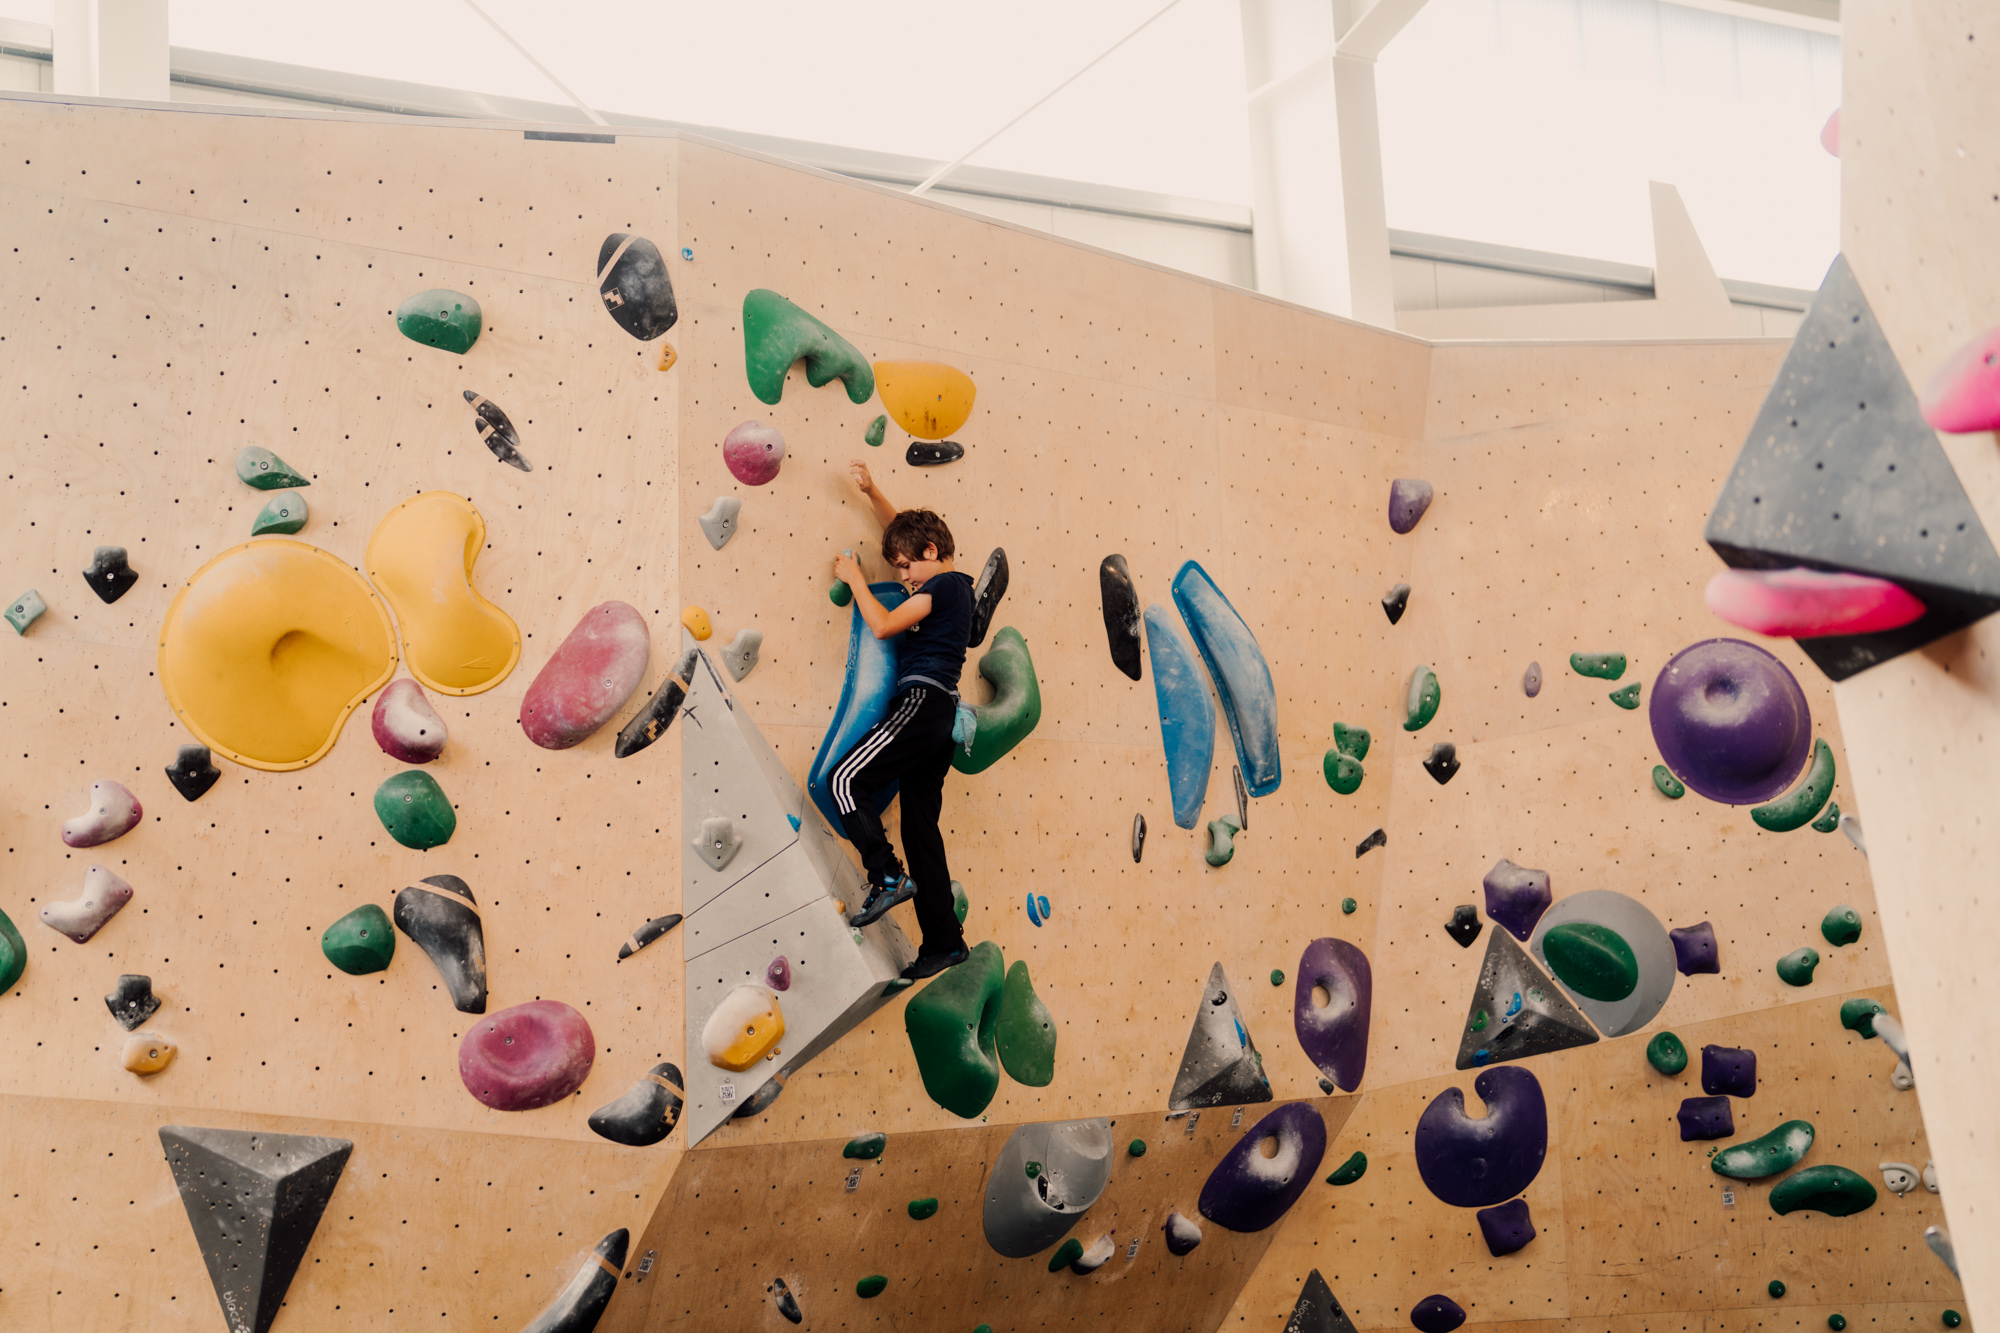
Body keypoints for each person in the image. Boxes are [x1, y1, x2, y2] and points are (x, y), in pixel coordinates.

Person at [829, 461, 972, 980]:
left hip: (922, 703)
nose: (903, 577)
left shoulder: (949, 586)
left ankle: (886, 877)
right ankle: (944, 942)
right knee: (920, 829)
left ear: (931, 555)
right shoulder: (949, 580)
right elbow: (908, 535)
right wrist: (872, 492)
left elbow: (886, 624)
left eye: (906, 568)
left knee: (845, 778)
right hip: (941, 718)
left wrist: (857, 579)